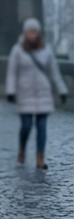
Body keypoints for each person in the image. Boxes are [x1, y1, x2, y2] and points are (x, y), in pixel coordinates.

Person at [5, 18, 68, 169]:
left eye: (35, 32)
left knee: (42, 127)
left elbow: (54, 72)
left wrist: (62, 89)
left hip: (43, 94)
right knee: (26, 126)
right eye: (30, 32)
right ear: (25, 33)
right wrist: (11, 91)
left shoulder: (46, 50)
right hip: (25, 93)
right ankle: (22, 148)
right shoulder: (17, 50)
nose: (33, 35)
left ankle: (40, 157)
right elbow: (12, 73)